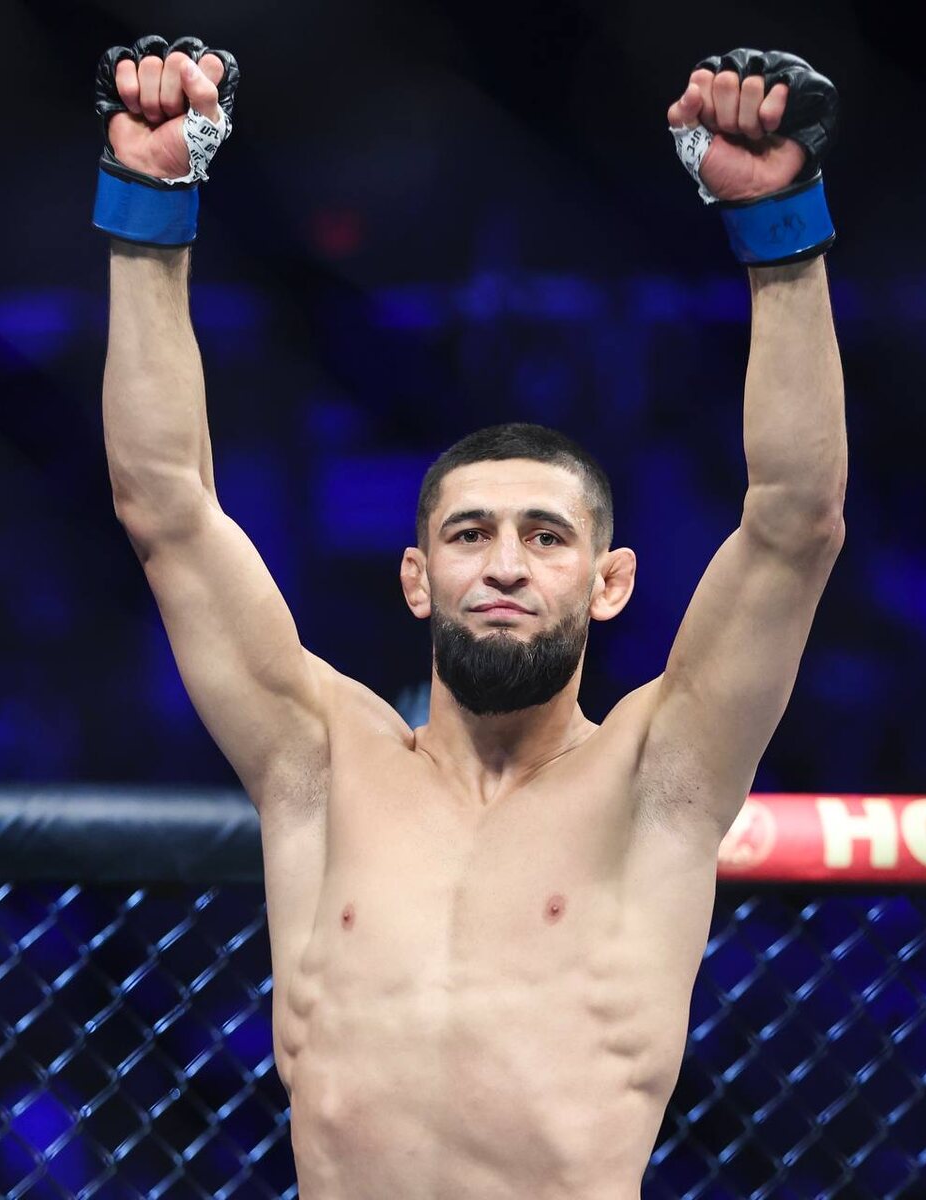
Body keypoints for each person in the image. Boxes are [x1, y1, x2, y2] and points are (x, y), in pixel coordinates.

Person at [95, 37, 847, 1200]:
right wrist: (150, 201)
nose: (504, 565)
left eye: (546, 537)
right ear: (417, 578)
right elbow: (167, 508)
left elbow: (795, 522)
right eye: (469, 535)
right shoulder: (319, 762)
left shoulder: (663, 776)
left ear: (609, 582)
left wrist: (780, 230)